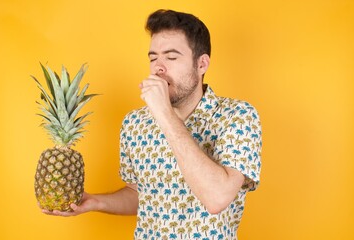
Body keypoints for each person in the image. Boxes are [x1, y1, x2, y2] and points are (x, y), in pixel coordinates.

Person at [44, 9, 262, 240]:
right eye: (153, 57)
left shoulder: (237, 116)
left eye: (171, 57)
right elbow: (142, 194)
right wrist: (95, 201)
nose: (158, 67)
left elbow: (217, 198)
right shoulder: (134, 123)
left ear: (202, 64)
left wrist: (165, 115)